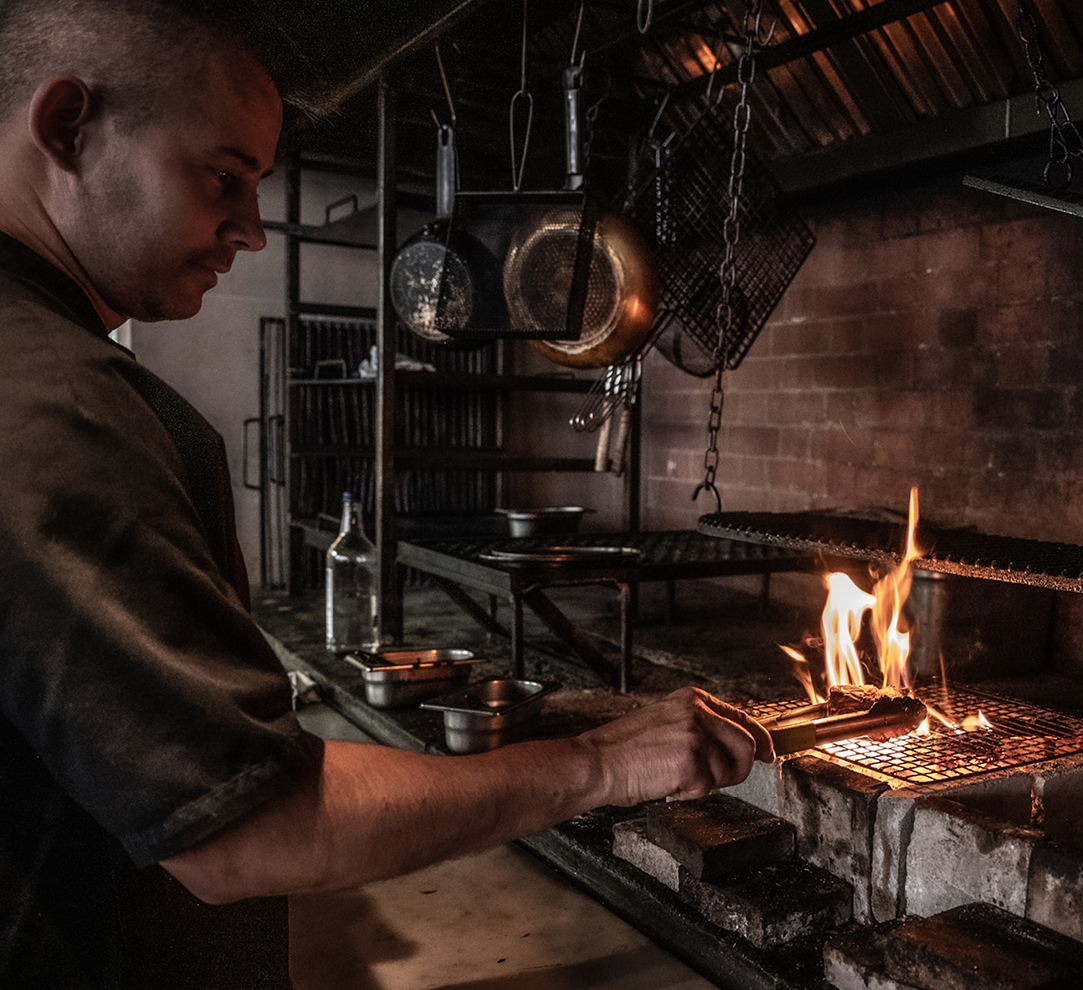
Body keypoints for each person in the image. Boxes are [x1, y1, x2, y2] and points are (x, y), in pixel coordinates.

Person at [0, 2, 773, 987]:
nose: (246, 228)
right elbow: (248, 832)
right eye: (222, 177)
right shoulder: (61, 404)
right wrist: (604, 765)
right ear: (67, 126)